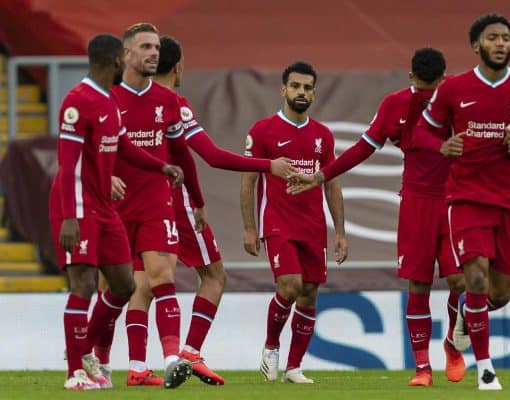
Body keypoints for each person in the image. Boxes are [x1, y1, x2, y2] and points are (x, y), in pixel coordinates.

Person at [107, 34, 297, 386]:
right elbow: (206, 156)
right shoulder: (173, 104)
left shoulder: (117, 98)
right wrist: (264, 166)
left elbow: (177, 157)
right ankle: (189, 351)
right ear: (178, 67)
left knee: (142, 284)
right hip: (167, 203)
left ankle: (136, 366)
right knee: (213, 275)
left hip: (126, 203)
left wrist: (197, 197)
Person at [285, 48, 466, 386]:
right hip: (417, 203)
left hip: (456, 200)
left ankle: (454, 344)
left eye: (434, 89)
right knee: (419, 284)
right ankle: (423, 369)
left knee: (461, 282)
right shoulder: (394, 105)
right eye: (423, 88)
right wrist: (321, 176)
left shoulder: (459, 96)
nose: (429, 96)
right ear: (411, 79)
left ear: (444, 81)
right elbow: (362, 147)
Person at [412, 13, 510, 390]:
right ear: (476, 45)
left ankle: (460, 323)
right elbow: (423, 130)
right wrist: (443, 145)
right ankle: (486, 368)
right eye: (492, 38)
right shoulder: (454, 89)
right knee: (474, 277)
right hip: (466, 198)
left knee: (500, 294)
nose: (500, 44)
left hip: (509, 202)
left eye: (506, 38)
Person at [49, 33, 183, 390]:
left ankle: (84, 351)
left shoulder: (109, 101)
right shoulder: (77, 103)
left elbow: (122, 145)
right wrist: (70, 216)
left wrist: (160, 167)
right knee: (83, 284)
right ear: (114, 61)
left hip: (105, 209)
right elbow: (68, 166)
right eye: (124, 59)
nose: (127, 64)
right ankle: (75, 370)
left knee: (123, 284)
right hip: (78, 206)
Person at [240, 61, 348, 384]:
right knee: (290, 285)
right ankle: (270, 348)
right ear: (283, 89)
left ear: (314, 92)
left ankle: (294, 367)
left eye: (307, 87)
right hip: (277, 222)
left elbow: (332, 183)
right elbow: (248, 182)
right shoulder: (262, 131)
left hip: (313, 225)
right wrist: (249, 228)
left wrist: (340, 231)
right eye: (296, 86)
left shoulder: (322, 135)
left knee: (310, 293)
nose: (301, 92)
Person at [108, 22, 202, 389]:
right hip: (114, 208)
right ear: (126, 54)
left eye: (157, 48)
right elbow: (85, 152)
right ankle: (116, 364)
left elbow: (184, 154)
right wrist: (104, 180)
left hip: (155, 204)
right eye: (145, 46)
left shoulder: (169, 103)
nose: (153, 54)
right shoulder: (108, 97)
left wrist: (197, 198)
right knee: (120, 290)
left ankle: (171, 359)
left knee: (161, 277)